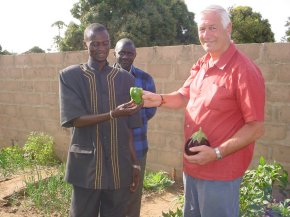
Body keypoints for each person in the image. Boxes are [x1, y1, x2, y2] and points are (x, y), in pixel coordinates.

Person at [142, 5, 265, 217]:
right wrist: (159, 99)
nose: (206, 35)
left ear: (229, 28)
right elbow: (183, 96)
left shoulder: (243, 70)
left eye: (212, 28)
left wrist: (216, 153)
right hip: (193, 166)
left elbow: (255, 128)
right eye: (201, 29)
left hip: (220, 172)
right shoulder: (203, 63)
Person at [59, 23, 143, 217]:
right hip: (86, 168)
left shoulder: (125, 79)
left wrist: (135, 163)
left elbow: (130, 127)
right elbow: (75, 119)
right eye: (94, 44)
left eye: (105, 43)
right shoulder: (70, 76)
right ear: (85, 44)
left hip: (118, 166)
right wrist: (112, 114)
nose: (101, 49)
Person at [113, 38, 157, 217]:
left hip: (137, 146)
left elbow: (152, 107)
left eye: (129, 53)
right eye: (121, 52)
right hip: (111, 147)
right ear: (114, 53)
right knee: (112, 194)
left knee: (134, 191)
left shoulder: (144, 78)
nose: (125, 56)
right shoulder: (106, 77)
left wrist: (134, 120)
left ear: (135, 55)